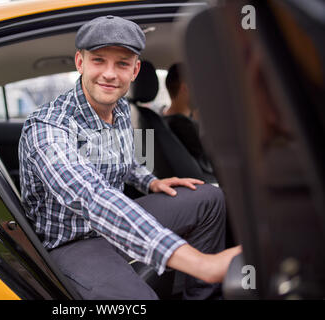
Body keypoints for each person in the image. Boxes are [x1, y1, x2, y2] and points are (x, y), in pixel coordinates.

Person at [19, 15, 241, 300]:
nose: (110, 74)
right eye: (99, 60)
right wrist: (201, 264)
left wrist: (150, 182)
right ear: (80, 62)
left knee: (209, 197)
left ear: (135, 70)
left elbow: (127, 161)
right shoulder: (48, 126)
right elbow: (91, 196)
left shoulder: (120, 108)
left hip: (114, 221)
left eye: (122, 63)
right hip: (72, 242)